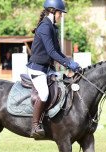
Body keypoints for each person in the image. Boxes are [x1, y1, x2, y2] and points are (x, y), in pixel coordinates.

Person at [27, 0, 80, 139]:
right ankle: (35, 125)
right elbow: (51, 52)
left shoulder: (52, 27)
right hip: (37, 69)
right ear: (52, 11)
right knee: (44, 93)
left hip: (48, 69)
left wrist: (70, 61)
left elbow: (57, 51)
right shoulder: (45, 27)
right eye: (60, 13)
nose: (61, 16)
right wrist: (68, 64)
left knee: (64, 84)